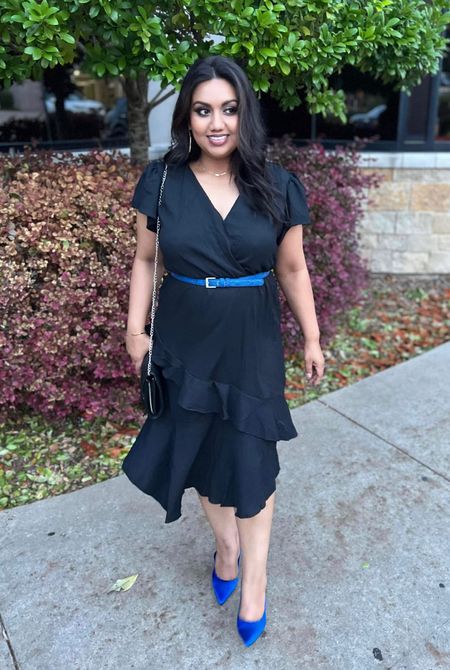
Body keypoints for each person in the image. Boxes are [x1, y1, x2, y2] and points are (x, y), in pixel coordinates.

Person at [122, 55, 324, 647]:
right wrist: (136, 331)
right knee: (205, 456)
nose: (217, 123)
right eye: (204, 109)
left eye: (229, 110)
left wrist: (311, 337)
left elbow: (292, 267)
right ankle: (228, 548)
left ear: (245, 114)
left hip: (249, 341)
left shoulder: (278, 185)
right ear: (187, 115)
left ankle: (254, 581)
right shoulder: (161, 182)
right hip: (184, 337)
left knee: (251, 466)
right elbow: (143, 260)